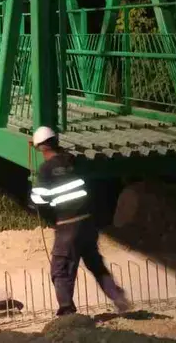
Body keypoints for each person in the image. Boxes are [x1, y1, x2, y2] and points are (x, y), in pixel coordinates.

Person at [29, 126, 131, 317]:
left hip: (68, 226)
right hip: (88, 223)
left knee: (60, 269)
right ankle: (118, 297)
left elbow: (39, 200)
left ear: (42, 147)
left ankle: (67, 312)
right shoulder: (73, 161)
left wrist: (33, 195)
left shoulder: (46, 169)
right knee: (94, 263)